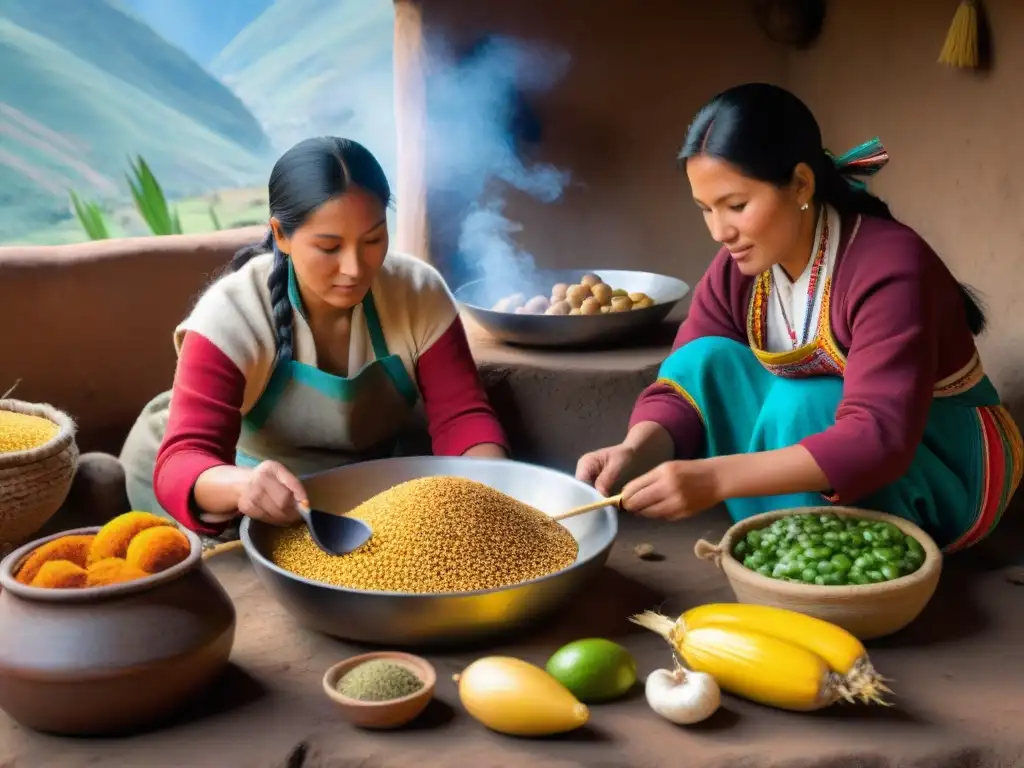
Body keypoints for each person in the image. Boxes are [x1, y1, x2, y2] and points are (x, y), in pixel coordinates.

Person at [577, 83, 1022, 553]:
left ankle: (810, 551)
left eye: (736, 206)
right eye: (705, 209)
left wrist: (712, 478)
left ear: (802, 185)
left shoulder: (889, 265)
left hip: (944, 459)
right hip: (823, 438)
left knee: (802, 403)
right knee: (704, 359)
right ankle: (794, 542)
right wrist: (634, 451)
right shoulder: (739, 268)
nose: (719, 232)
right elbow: (689, 380)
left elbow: (877, 436)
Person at [121, 137, 509, 537]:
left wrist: (495, 494)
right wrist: (242, 487)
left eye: (374, 240)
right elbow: (183, 460)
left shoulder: (417, 292)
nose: (355, 268)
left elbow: (462, 416)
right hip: (238, 489)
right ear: (281, 235)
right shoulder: (232, 313)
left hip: (358, 487)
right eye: (329, 247)